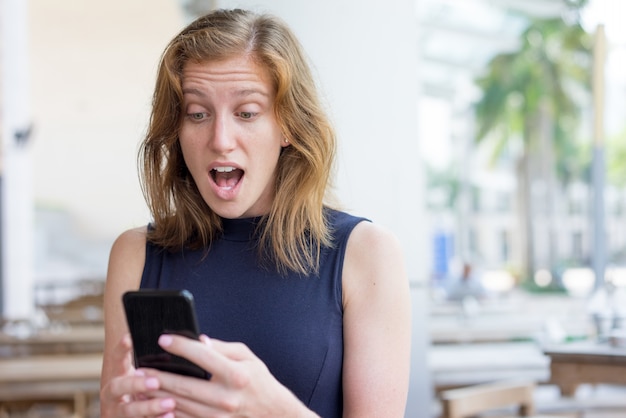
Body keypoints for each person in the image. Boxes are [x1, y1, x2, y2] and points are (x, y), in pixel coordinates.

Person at [100, 8, 411, 418]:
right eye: (197, 113)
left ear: (288, 126)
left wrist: (273, 409)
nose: (220, 140)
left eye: (246, 113)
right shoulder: (135, 253)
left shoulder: (367, 254)